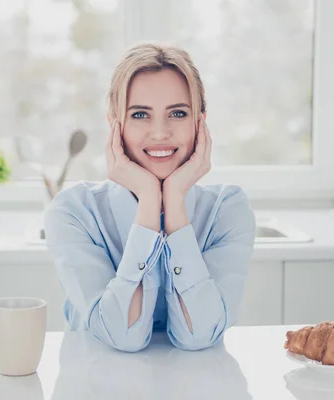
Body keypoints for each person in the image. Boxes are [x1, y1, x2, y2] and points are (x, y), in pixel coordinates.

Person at [44, 42, 256, 352]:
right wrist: (148, 199)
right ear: (116, 123)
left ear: (200, 123)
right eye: (141, 114)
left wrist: (174, 203)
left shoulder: (227, 209)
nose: (160, 133)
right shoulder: (74, 211)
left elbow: (198, 335)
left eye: (178, 113)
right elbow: (122, 336)